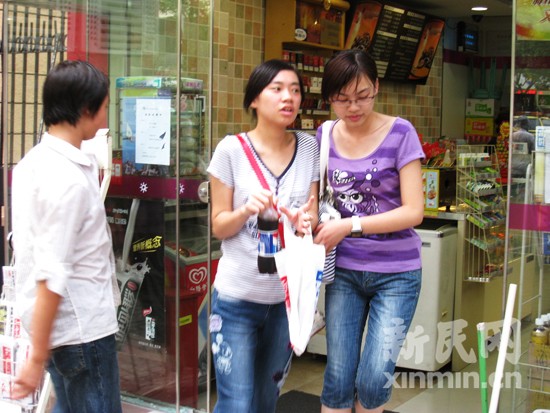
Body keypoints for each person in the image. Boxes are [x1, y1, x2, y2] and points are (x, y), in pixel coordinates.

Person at [313, 49, 425, 413]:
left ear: (376, 86)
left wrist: (351, 225)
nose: (353, 107)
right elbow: (314, 198)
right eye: (341, 99)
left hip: (397, 273)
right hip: (343, 270)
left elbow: (414, 211)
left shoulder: (401, 132)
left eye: (362, 96)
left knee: (375, 376)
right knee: (338, 376)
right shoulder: (325, 134)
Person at [207, 59, 319, 413]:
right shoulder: (231, 150)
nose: (289, 98)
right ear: (254, 99)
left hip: (286, 303)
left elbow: (313, 213)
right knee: (237, 403)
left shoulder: (310, 148)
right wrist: (244, 211)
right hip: (236, 299)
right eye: (277, 89)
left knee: (265, 400)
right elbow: (218, 226)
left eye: (296, 90)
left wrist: (305, 220)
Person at [11, 60, 122, 413]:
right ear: (87, 109)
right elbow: (52, 272)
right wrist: (36, 356)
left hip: (67, 333)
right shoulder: (68, 179)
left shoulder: (35, 161)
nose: (106, 120)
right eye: (104, 108)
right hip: (82, 332)